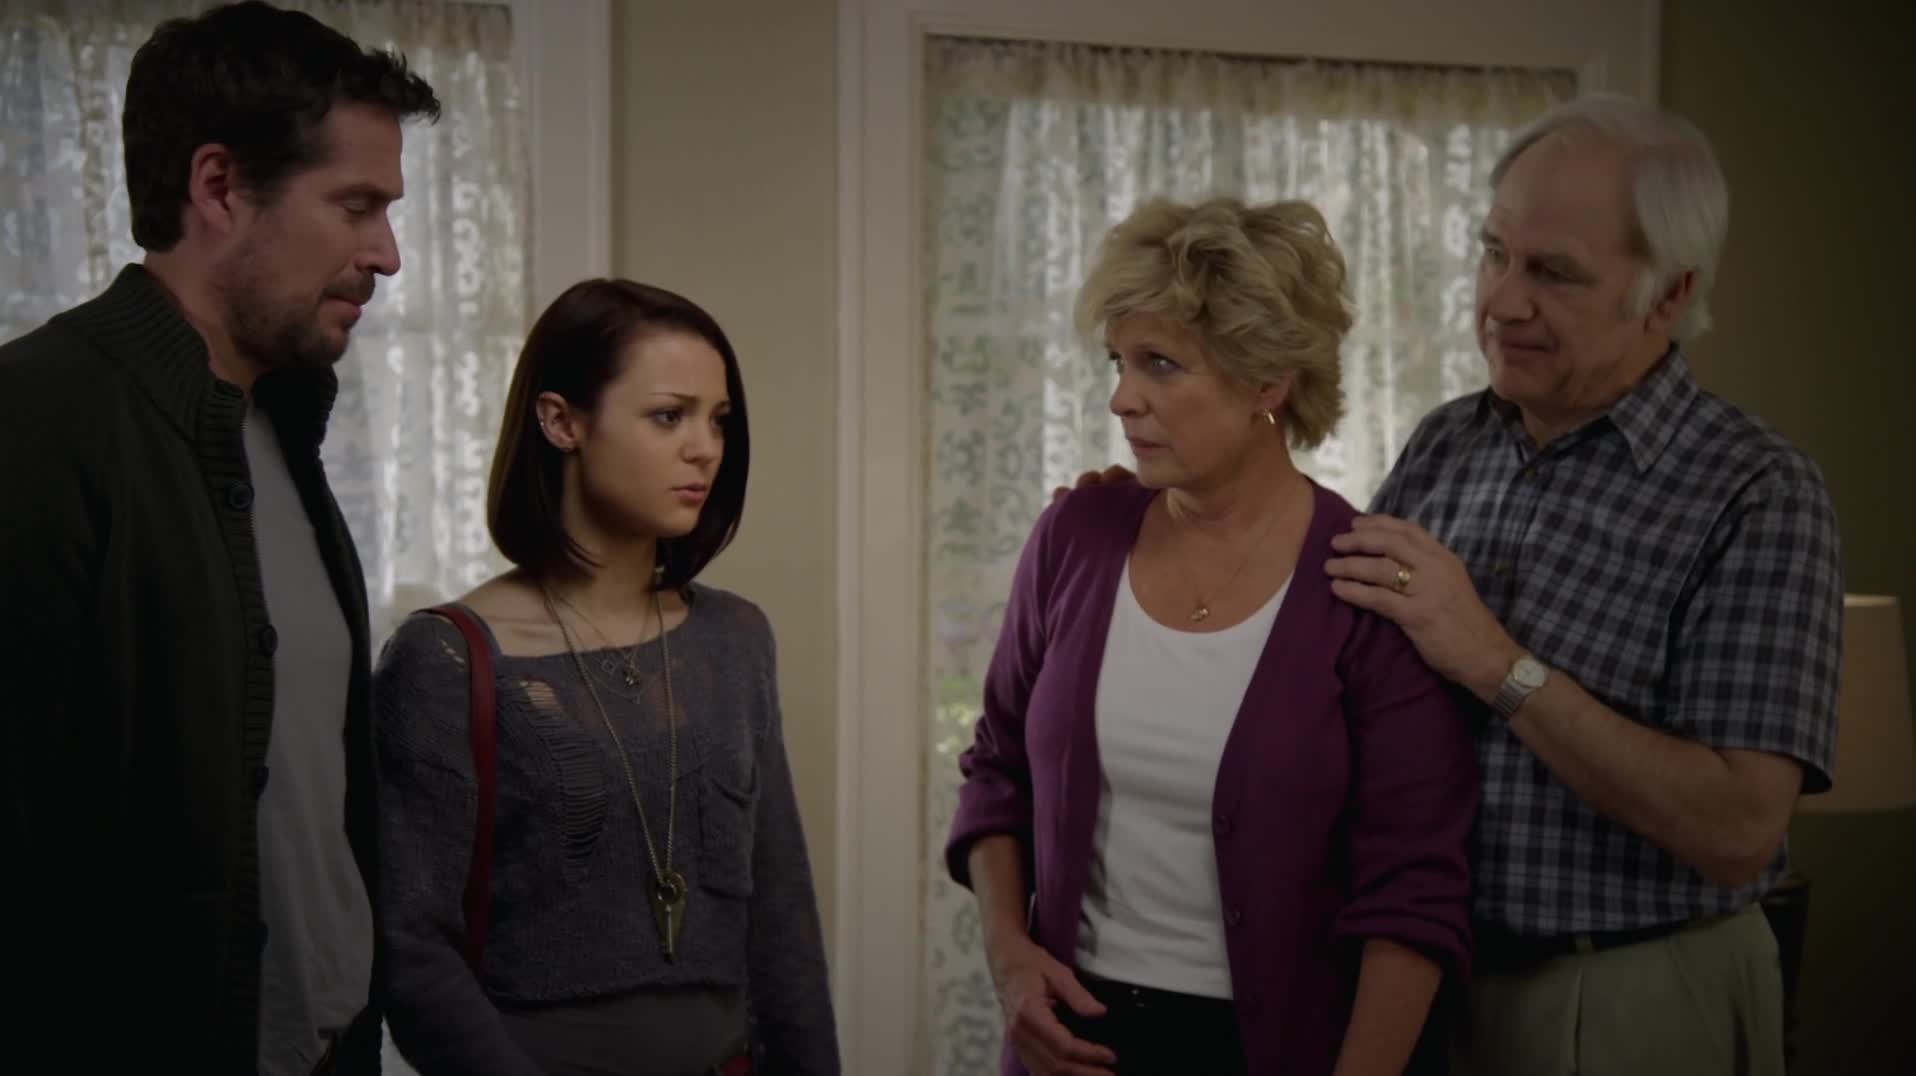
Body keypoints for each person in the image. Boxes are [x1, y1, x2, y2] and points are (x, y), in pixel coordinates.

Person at [1072, 95, 1842, 1075]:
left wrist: (1495, 663)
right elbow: (1332, 671)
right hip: (1420, 981)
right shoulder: (1445, 443)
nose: (1502, 301)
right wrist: (1162, 518)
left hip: (1626, 988)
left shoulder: (1755, 491)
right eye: (1493, 253)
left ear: (1667, 295)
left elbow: (1739, 828)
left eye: (1553, 272)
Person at [0, 4, 439, 1073]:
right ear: (218, 186)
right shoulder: (37, 422)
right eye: (355, 206)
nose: (385, 255)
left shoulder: (278, 423)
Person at [947, 196, 1479, 1076]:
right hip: (1072, 1040)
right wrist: (1007, 951)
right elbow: (997, 769)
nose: (1122, 399)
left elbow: (1415, 890)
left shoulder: (1366, 587)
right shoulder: (1075, 537)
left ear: (1268, 382)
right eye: (1119, 362)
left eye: (1160, 365)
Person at [372, 278, 839, 1076]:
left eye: (718, 420)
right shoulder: (446, 658)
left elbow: (782, 921)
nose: (706, 448)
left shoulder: (735, 639)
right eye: (669, 416)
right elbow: (412, 950)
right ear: (562, 422)